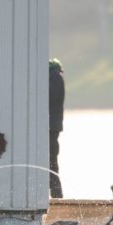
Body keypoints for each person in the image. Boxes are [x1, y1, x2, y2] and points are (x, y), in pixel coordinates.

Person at [48, 59, 65, 198]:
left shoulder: (55, 78)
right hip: (53, 127)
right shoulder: (56, 77)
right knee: (52, 161)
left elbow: (49, 96)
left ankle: (57, 196)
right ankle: (56, 194)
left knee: (51, 161)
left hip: (51, 128)